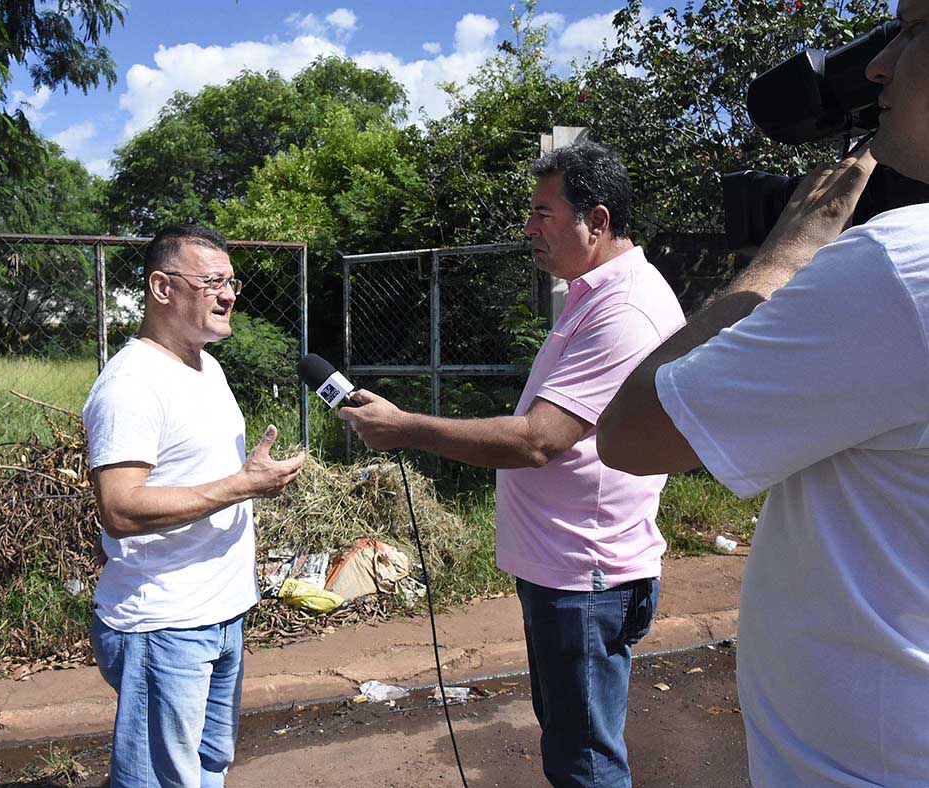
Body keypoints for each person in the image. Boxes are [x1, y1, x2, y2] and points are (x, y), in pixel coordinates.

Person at [596, 6, 929, 784]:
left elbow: (631, 433)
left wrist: (784, 260)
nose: (876, 67)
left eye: (912, 31)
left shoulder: (900, 269)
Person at [339, 141, 685, 788]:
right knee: (572, 750)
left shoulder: (624, 307)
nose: (528, 228)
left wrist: (405, 429)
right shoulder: (593, 292)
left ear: (598, 221)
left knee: (585, 767)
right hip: (568, 572)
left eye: (542, 213)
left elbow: (536, 441)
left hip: (586, 578)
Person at [81, 224, 305, 788]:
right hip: (164, 622)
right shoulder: (131, 384)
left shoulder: (208, 367)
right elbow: (121, 507)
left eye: (232, 282)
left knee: (207, 769)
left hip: (222, 612)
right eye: (213, 283)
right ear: (162, 288)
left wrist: (245, 485)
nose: (229, 295)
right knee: (159, 780)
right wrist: (243, 485)